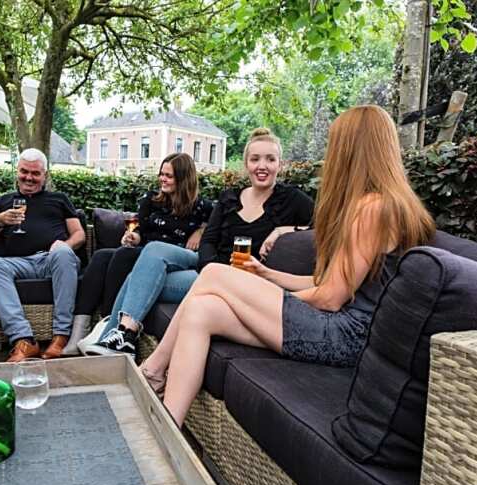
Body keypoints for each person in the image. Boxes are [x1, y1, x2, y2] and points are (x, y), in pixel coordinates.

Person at [140, 105, 437, 426]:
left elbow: (330, 298)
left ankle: (153, 370)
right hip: (338, 325)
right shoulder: (384, 203)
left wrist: (265, 299)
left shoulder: (373, 208)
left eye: (335, 144)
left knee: (213, 274)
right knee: (202, 309)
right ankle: (168, 426)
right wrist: (268, 276)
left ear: (350, 149)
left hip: (345, 336)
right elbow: (326, 282)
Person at [86, 127, 314, 359]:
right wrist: (209, 271)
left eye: (270, 159)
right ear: (246, 164)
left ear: (280, 164)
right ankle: (121, 337)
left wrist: (283, 230)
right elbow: (209, 240)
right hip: (209, 268)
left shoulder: (292, 199)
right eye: (255, 159)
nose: (262, 166)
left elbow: (326, 225)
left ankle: (113, 338)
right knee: (153, 252)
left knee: (139, 277)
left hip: (242, 281)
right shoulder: (230, 197)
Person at [65, 152, 213, 355]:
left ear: (184, 178)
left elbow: (217, 225)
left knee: (124, 256)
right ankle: (80, 329)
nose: (162, 179)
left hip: (176, 258)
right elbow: (140, 229)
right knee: (102, 256)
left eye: (169, 176)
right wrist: (134, 237)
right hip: (147, 253)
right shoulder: (152, 199)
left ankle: (109, 322)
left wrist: (201, 230)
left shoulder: (202, 207)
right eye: (161, 174)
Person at [0, 148, 85, 362]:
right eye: (24, 171)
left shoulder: (59, 199)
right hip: (16, 263)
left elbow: (79, 234)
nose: (29, 177)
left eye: (35, 173)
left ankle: (61, 337)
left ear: (45, 175)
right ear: (17, 172)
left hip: (52, 259)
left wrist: (64, 245)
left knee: (64, 253)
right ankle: (24, 340)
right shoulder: (2, 202)